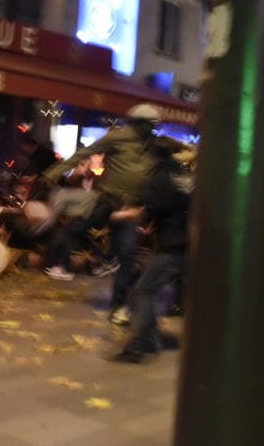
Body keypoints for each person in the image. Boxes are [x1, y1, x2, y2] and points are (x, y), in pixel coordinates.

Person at [43, 104, 159, 324]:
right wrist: (55, 172)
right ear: (138, 124)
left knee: (126, 257)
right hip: (107, 201)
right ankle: (97, 261)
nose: (150, 130)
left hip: (129, 209)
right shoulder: (119, 137)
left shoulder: (153, 143)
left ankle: (118, 304)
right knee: (74, 230)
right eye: (148, 126)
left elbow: (180, 152)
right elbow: (86, 152)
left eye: (153, 127)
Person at [108, 137, 193, 363]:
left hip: (172, 246)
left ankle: (137, 346)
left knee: (142, 292)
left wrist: (120, 215)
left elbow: (149, 210)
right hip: (189, 244)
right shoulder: (185, 176)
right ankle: (151, 340)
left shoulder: (161, 178)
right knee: (150, 290)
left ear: (153, 156)